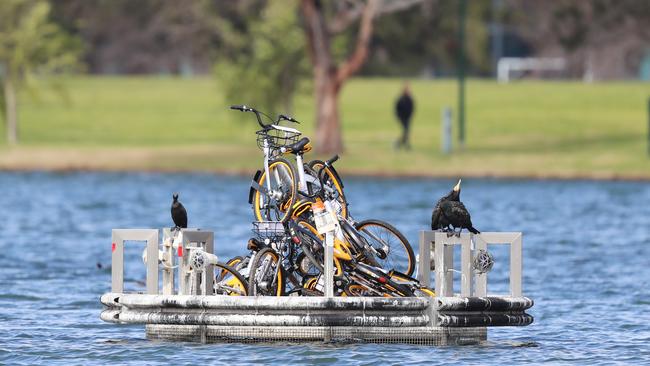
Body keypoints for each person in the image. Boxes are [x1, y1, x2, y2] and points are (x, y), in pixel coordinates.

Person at [395, 83, 414, 149]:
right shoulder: (401, 99)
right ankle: (400, 143)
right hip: (402, 118)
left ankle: (402, 144)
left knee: (406, 132)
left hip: (408, 118)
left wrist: (411, 115)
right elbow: (397, 108)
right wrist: (399, 116)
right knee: (406, 131)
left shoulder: (410, 99)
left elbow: (412, 108)